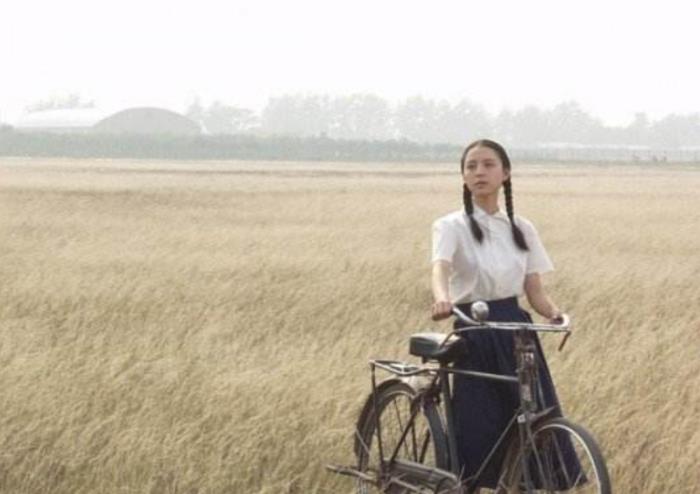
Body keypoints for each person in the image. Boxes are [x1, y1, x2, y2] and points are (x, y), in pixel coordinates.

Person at [430, 139, 566, 487]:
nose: (479, 172)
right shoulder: (450, 225)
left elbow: (534, 290)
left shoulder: (522, 228)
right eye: (471, 166)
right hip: (473, 328)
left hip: (516, 329)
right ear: (463, 176)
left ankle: (525, 483)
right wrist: (442, 299)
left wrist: (555, 314)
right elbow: (440, 268)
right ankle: (468, 484)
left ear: (505, 173)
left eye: (488, 165)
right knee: (479, 421)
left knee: (533, 411)